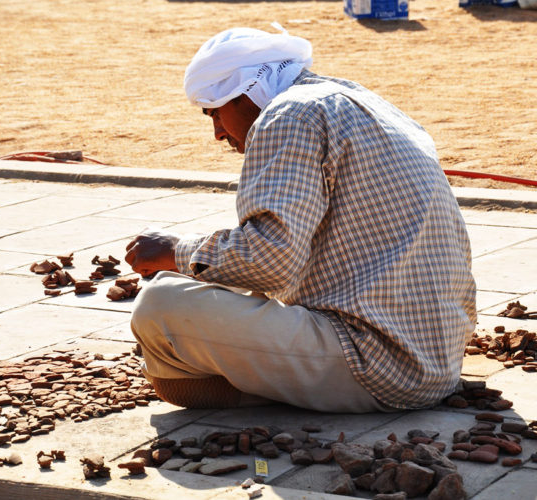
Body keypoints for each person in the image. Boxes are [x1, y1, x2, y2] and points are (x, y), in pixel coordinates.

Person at [125, 27, 476, 413]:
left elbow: (269, 262)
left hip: (380, 367)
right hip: (437, 355)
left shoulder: (289, 115)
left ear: (247, 93)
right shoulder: (358, 99)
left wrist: (176, 251)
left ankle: (258, 393)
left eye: (215, 112)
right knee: (215, 281)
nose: (218, 133)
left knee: (159, 307)